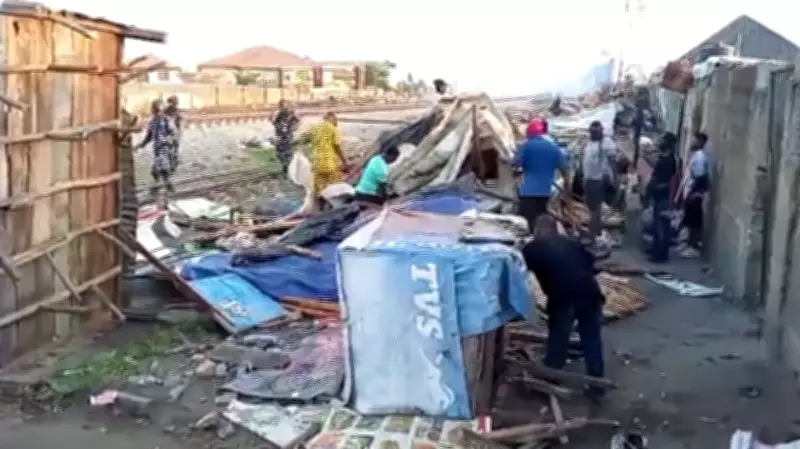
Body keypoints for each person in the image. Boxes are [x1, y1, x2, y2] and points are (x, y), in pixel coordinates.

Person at [522, 215, 606, 398]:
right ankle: (597, 383)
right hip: (589, 292)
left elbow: (519, 270)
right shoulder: (571, 243)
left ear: (536, 230)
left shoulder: (532, 248)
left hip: (563, 296)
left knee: (558, 338)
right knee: (591, 338)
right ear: (556, 228)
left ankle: (552, 377)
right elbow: (590, 263)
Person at [513, 118, 570, 232]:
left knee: (526, 223)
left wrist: (504, 159)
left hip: (528, 192)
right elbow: (565, 171)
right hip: (545, 192)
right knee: (541, 220)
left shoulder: (527, 145)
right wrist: (566, 191)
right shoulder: (555, 148)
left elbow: (515, 163)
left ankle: (529, 243)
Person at [644, 132, 678, 263]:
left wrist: (648, 193)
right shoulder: (670, 159)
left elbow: (656, 179)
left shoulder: (666, 161)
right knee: (661, 224)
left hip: (662, 196)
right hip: (663, 195)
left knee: (661, 226)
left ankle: (660, 254)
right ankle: (657, 250)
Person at [581, 121, 617, 241]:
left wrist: (613, 178)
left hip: (599, 179)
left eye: (596, 131)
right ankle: (595, 231)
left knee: (596, 209)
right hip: (589, 179)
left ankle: (594, 233)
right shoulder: (589, 142)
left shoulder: (607, 143)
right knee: (591, 208)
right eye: (592, 131)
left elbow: (612, 162)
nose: (593, 133)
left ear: (601, 131)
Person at [136, 99, 178, 199]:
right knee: (159, 170)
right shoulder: (152, 121)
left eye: (158, 109)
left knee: (159, 170)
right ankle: (167, 189)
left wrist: (169, 143)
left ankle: (158, 190)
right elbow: (149, 136)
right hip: (157, 149)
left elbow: (174, 134)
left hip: (165, 149)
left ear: (162, 109)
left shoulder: (167, 120)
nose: (156, 111)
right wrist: (140, 145)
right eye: (155, 109)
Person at [680, 131, 710, 258]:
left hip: (695, 193)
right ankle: (689, 244)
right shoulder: (696, 155)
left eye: (694, 140)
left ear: (700, 142)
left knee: (694, 221)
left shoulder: (700, 157)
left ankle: (694, 247)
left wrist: (696, 192)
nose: (692, 142)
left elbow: (701, 177)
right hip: (691, 191)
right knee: (690, 219)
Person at [311, 112, 347, 197]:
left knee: (319, 192)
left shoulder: (316, 129)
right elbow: (337, 148)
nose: (336, 122)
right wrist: (345, 161)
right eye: (336, 120)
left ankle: (320, 206)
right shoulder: (333, 130)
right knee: (335, 189)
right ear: (333, 119)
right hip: (329, 165)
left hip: (316, 164)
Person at [272, 99, 300, 176]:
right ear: (280, 106)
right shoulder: (277, 113)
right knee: (280, 152)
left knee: (287, 151)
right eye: (282, 105)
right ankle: (285, 165)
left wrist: (293, 127)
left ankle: (286, 167)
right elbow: (273, 122)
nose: (284, 106)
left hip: (287, 136)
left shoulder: (291, 113)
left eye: (285, 105)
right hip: (280, 136)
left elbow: (297, 121)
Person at [164, 96, 182, 175]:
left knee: (173, 149)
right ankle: (172, 166)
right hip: (171, 133)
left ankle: (173, 165)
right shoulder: (170, 111)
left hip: (174, 133)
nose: (175, 104)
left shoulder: (170, 110)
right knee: (172, 149)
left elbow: (179, 121)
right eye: (175, 102)